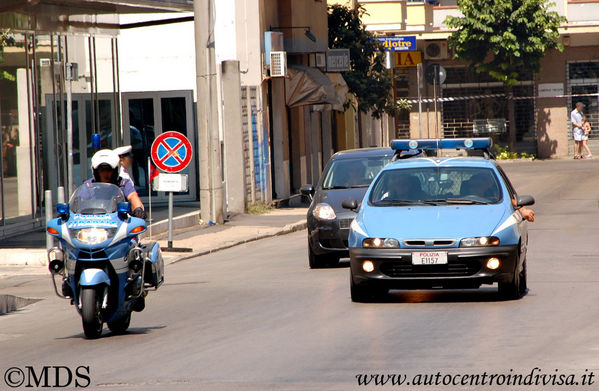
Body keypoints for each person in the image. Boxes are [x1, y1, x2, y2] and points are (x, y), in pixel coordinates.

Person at [86, 149, 146, 219]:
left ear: (115, 171)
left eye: (109, 170)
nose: (105, 174)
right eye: (102, 170)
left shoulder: (123, 183)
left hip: (119, 222)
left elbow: (133, 196)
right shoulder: (88, 185)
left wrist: (138, 209)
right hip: (94, 223)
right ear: (95, 172)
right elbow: (78, 201)